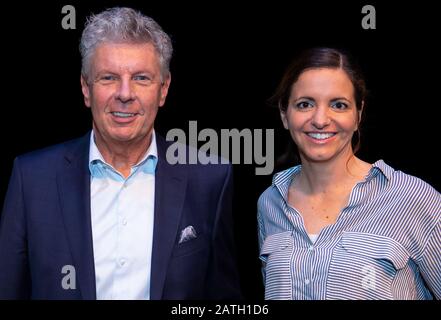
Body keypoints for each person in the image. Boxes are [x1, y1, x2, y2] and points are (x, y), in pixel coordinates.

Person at [0, 7, 241, 300]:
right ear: (86, 89)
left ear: (163, 89)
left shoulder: (210, 179)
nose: (125, 94)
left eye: (141, 78)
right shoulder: (32, 179)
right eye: (109, 78)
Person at [257, 47, 441, 300]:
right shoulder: (270, 203)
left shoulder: (413, 198)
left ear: (358, 114)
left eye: (339, 105)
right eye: (305, 104)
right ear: (284, 114)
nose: (320, 119)